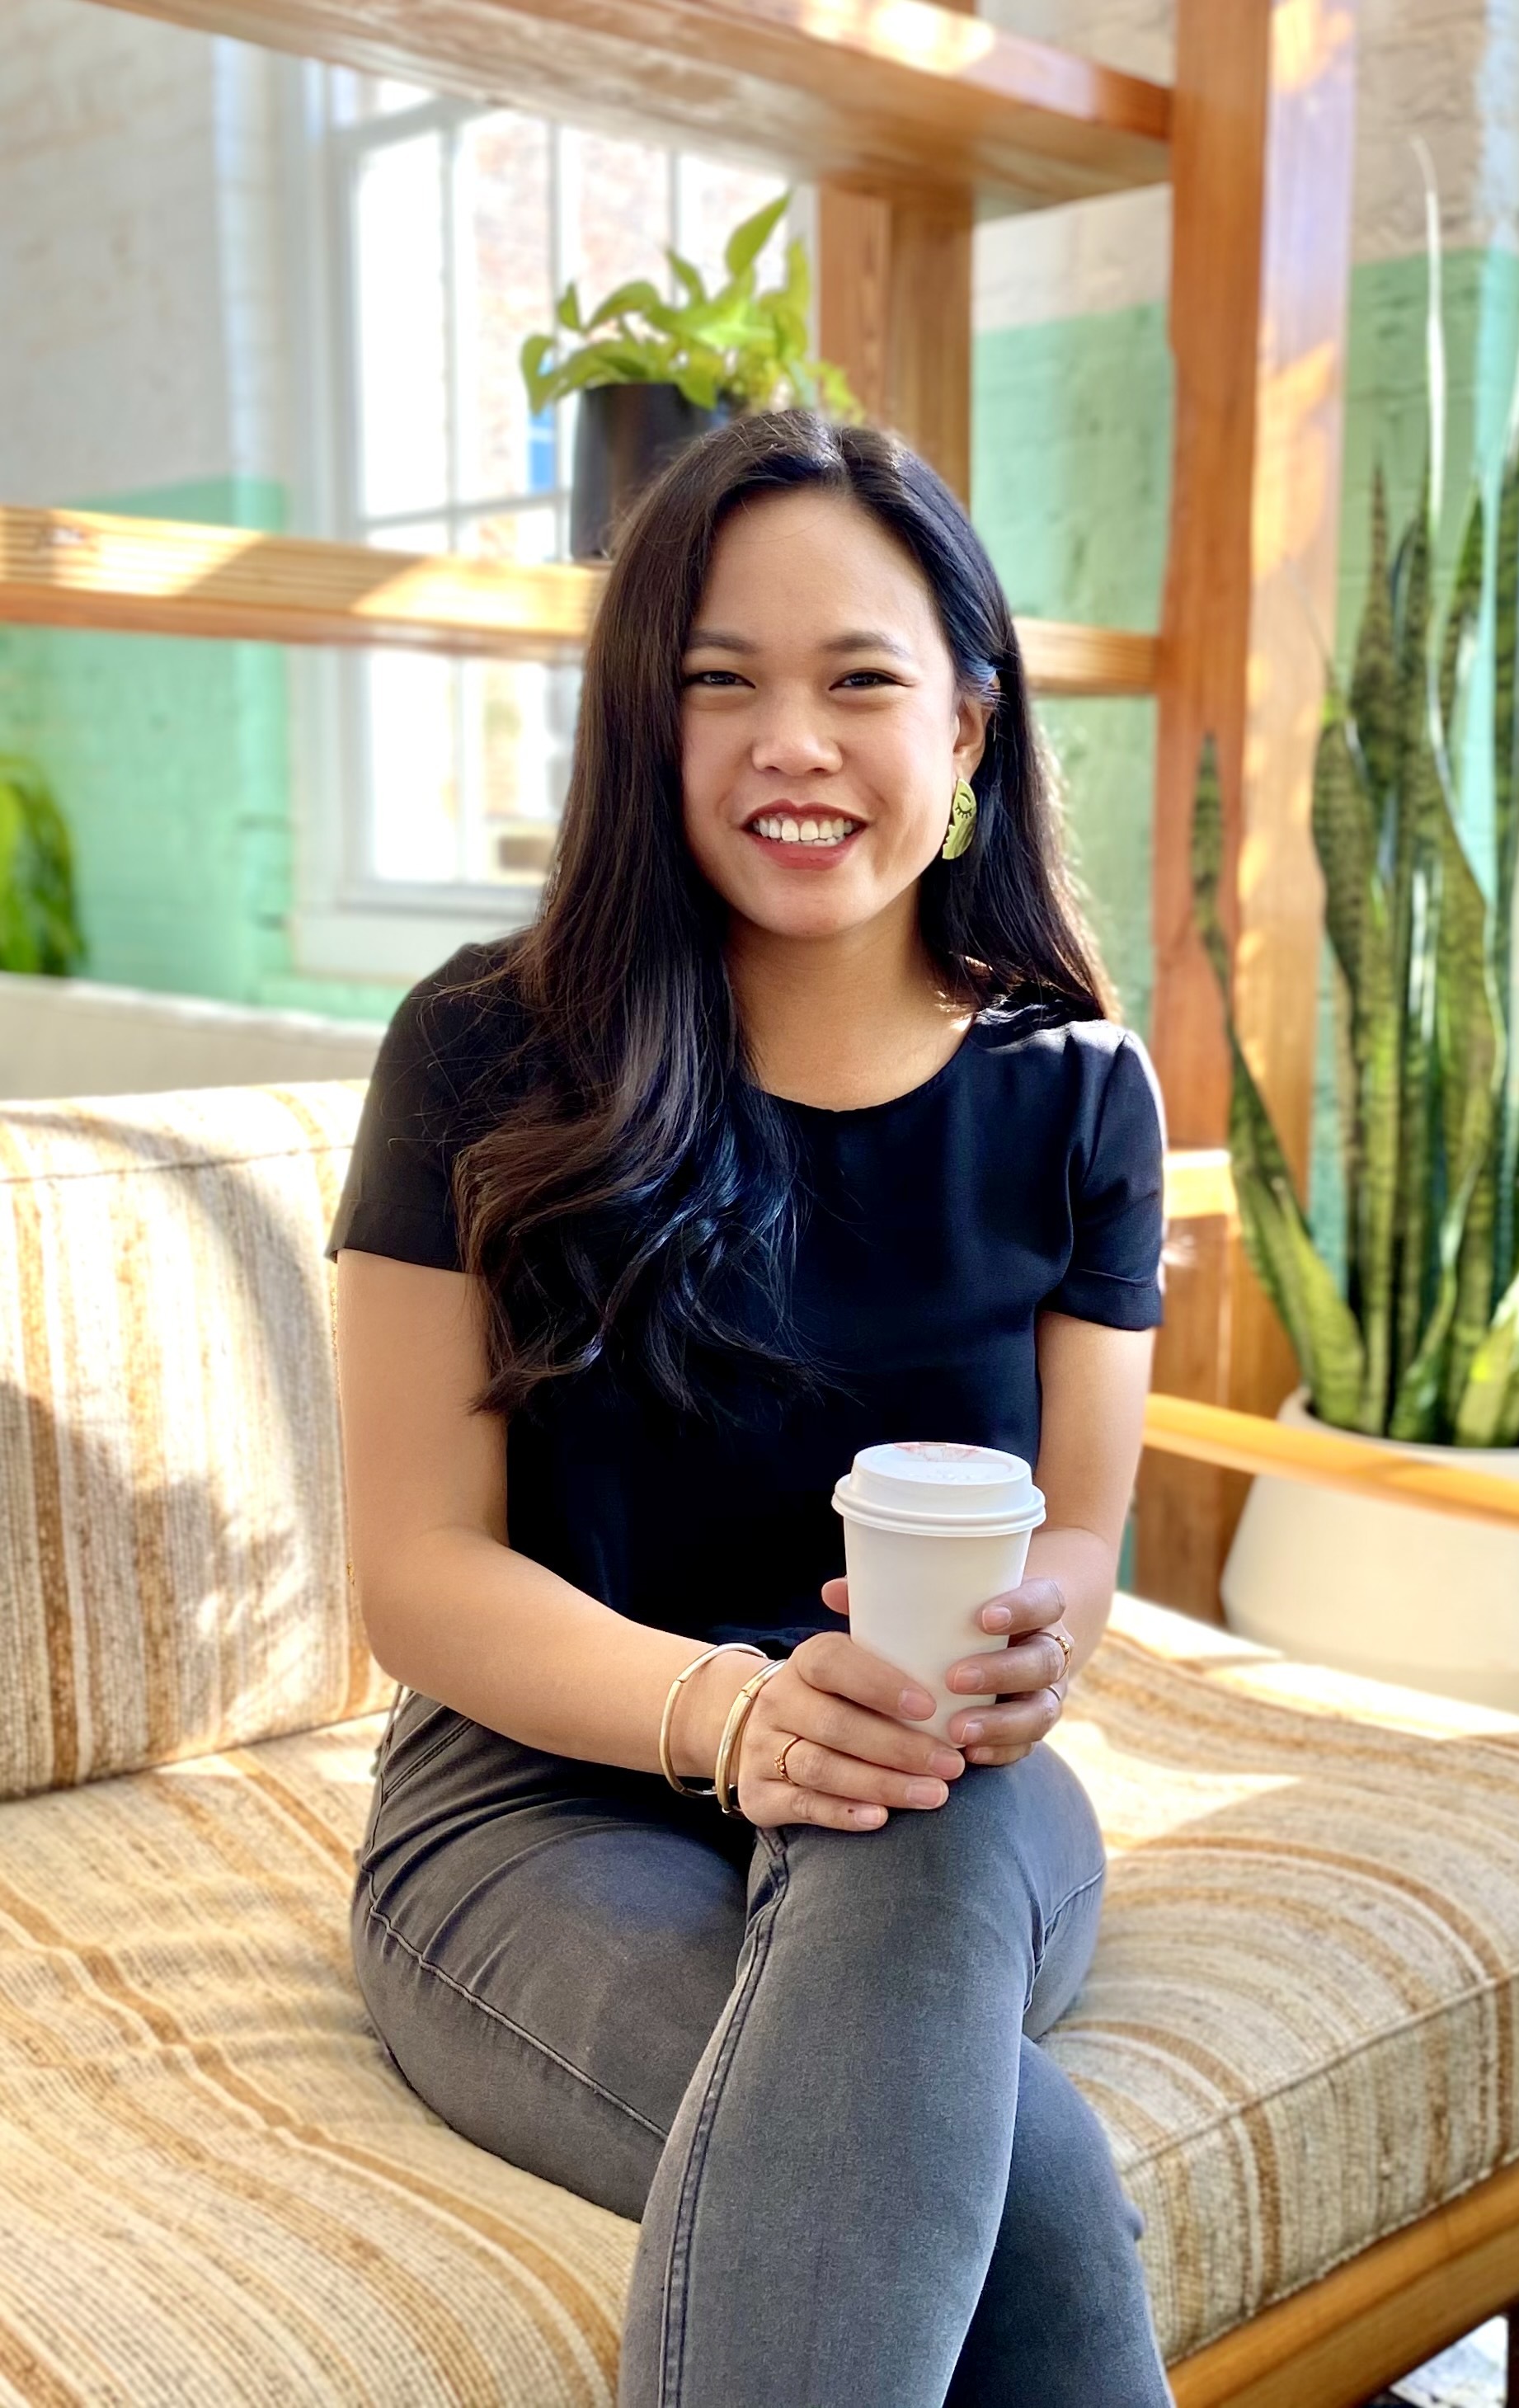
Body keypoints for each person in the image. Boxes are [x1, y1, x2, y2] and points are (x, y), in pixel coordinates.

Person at [329, 407, 1174, 2408]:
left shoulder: (1077, 1094)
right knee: (1016, 2174)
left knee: (912, 1794)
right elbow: (419, 1572)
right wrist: (733, 1711)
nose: (791, 743)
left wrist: (1041, 1635)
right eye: (721, 685)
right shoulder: (484, 1049)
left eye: (860, 679)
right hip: (538, 1801)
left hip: (941, 1791)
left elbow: (1078, 1530)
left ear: (968, 725)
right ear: (650, 728)